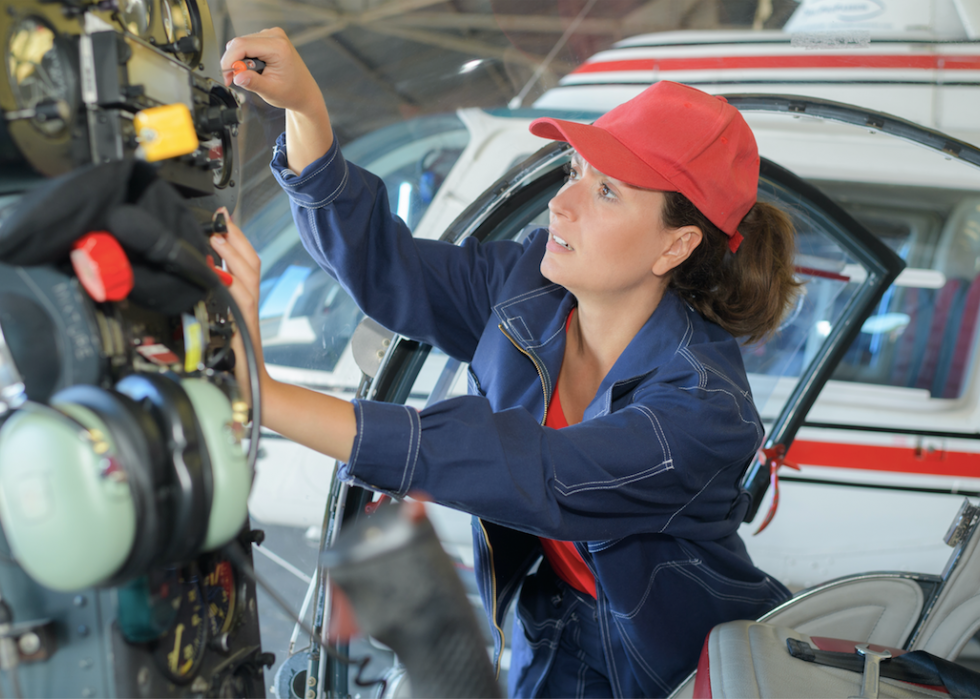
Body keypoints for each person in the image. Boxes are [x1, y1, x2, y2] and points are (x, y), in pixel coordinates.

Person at [216, 28, 799, 698]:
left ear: (677, 245)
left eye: (608, 191)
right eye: (575, 171)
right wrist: (307, 110)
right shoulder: (529, 286)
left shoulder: (705, 409)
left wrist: (265, 393)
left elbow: (538, 473)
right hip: (552, 619)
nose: (562, 200)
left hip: (678, 666)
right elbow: (389, 268)